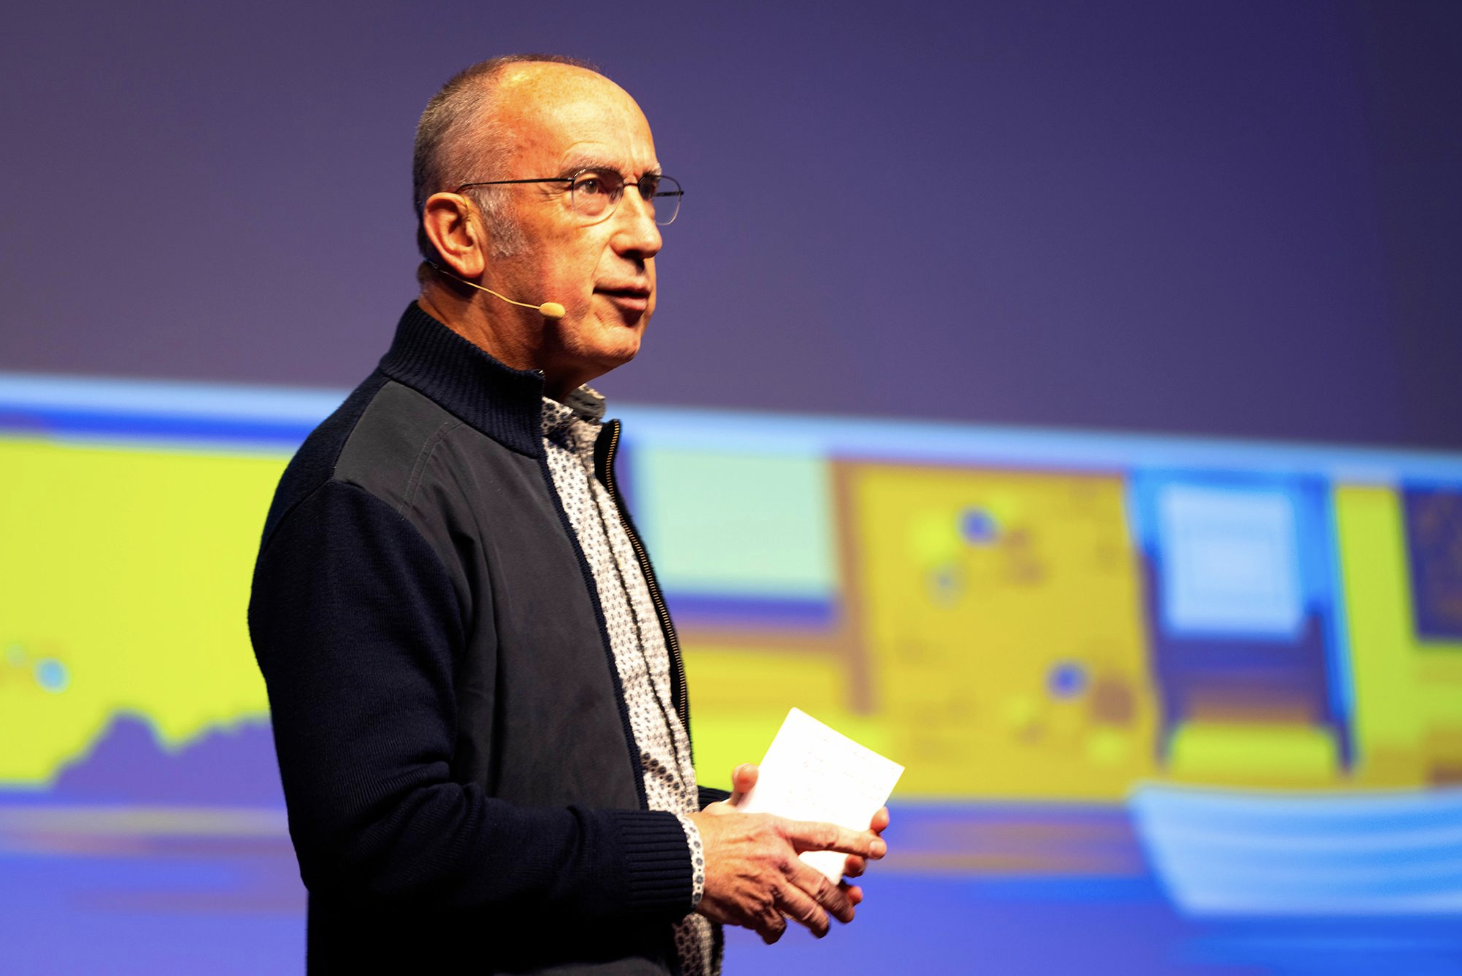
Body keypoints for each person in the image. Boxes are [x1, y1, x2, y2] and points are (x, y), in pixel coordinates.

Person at [248, 54, 888, 975]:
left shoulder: (554, 447)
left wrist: (737, 833)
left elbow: (544, 782)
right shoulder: (372, 489)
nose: (644, 237)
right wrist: (689, 856)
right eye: (591, 188)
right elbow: (379, 840)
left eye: (647, 191)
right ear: (461, 233)